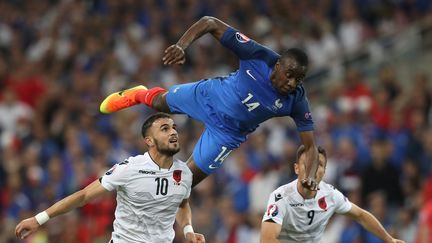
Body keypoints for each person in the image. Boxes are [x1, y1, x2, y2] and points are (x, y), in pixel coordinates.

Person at [99, 16, 319, 190]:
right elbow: (210, 22)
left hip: (227, 133)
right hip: (209, 96)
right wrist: (181, 45)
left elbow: (310, 147)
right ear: (278, 65)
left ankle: (152, 200)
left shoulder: (296, 100)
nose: (292, 83)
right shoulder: (258, 55)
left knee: (185, 184)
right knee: (158, 103)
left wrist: (309, 176)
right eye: (289, 75)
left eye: (298, 79)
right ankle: (137, 94)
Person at [15, 112, 205, 243]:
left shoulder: (185, 173)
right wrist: (38, 219)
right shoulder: (130, 168)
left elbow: (181, 203)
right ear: (149, 141)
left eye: (174, 127)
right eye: (165, 129)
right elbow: (83, 196)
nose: (173, 132)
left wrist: (188, 230)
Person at [260, 145, 404, 243]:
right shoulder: (281, 196)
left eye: (319, 165)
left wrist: (388, 239)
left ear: (324, 171)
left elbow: (361, 215)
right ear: (296, 168)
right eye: (308, 164)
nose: (313, 169)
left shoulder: (330, 195)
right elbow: (266, 240)